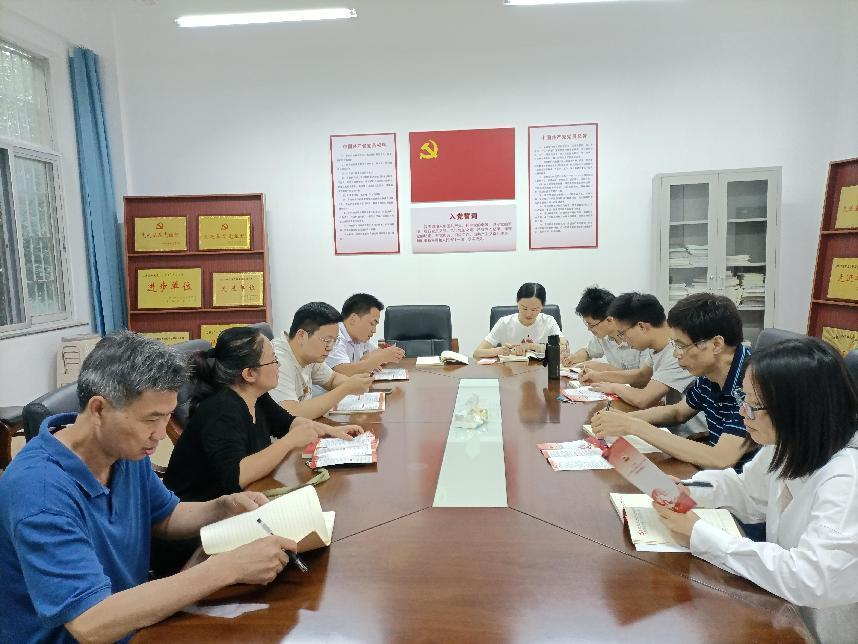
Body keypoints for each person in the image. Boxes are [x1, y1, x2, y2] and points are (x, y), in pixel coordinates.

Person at [0, 332, 299, 643]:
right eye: (151, 419)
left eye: (167, 416)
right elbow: (90, 623)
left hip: (137, 622)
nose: (160, 434)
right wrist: (228, 568)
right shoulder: (39, 491)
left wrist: (221, 507)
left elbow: (165, 516)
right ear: (99, 410)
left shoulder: (123, 449)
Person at [653, 337, 858, 644]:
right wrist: (688, 491)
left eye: (753, 405)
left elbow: (813, 579)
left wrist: (702, 536)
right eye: (742, 397)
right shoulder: (788, 442)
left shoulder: (847, 478)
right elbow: (747, 491)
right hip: (783, 610)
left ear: (798, 409)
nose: (741, 412)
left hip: (823, 632)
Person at [592, 293, 756, 470]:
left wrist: (634, 426)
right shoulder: (711, 373)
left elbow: (720, 458)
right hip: (719, 476)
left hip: (740, 481)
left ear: (716, 344)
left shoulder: (753, 383)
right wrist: (624, 419)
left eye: (681, 345)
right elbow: (679, 412)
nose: (676, 353)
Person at [589, 292, 707, 430]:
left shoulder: (677, 352)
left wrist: (614, 387)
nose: (623, 339)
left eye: (622, 333)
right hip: (669, 425)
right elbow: (642, 376)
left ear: (642, 327)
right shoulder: (656, 346)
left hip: (693, 435)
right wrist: (600, 376)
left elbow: (644, 399)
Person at [270, 302, 374, 419]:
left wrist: (357, 384)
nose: (330, 347)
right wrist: (346, 388)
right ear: (301, 336)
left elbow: (332, 379)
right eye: (327, 340)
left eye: (335, 341)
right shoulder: (276, 360)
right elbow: (291, 413)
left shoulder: (309, 354)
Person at [562, 286, 645, 381]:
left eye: (591, 325)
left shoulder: (640, 336)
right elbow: (588, 351)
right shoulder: (603, 336)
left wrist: (604, 369)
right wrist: (573, 357)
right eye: (586, 323)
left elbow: (643, 379)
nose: (589, 329)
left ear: (609, 320)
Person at [473, 283, 567, 359]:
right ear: (517, 302)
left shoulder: (549, 322)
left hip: (542, 372)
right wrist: (499, 351)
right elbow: (477, 353)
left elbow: (564, 349)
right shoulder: (504, 323)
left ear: (542, 306)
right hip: (510, 373)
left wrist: (532, 346)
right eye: (524, 308)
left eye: (534, 309)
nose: (529, 314)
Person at [326, 293, 405, 375]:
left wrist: (371, 362)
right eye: (372, 323)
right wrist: (379, 358)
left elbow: (376, 353)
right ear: (353, 319)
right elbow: (343, 372)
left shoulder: (359, 338)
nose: (374, 330)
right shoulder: (335, 336)